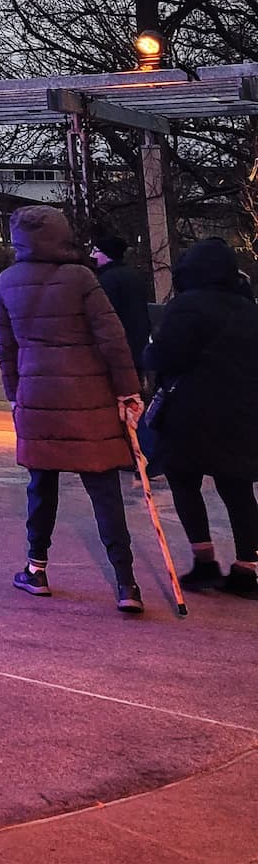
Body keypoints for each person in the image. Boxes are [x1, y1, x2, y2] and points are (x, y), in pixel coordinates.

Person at [0, 205, 144, 611]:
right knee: (104, 489)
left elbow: (5, 348)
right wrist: (129, 391)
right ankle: (126, 583)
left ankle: (36, 569)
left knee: (41, 486)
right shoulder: (82, 278)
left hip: (38, 397)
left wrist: (14, 394)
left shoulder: (7, 281)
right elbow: (113, 341)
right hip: (88, 397)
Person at [143, 237, 258, 600]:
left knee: (185, 482)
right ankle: (247, 569)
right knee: (238, 490)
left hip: (190, 414)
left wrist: (149, 349)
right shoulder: (249, 309)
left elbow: (164, 357)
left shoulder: (186, 306)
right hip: (242, 412)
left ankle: (204, 560)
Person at [90, 231, 152, 373]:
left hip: (118, 348)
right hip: (137, 346)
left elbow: (104, 315)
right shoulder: (132, 276)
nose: (92, 256)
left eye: (95, 251)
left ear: (107, 254)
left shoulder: (107, 280)